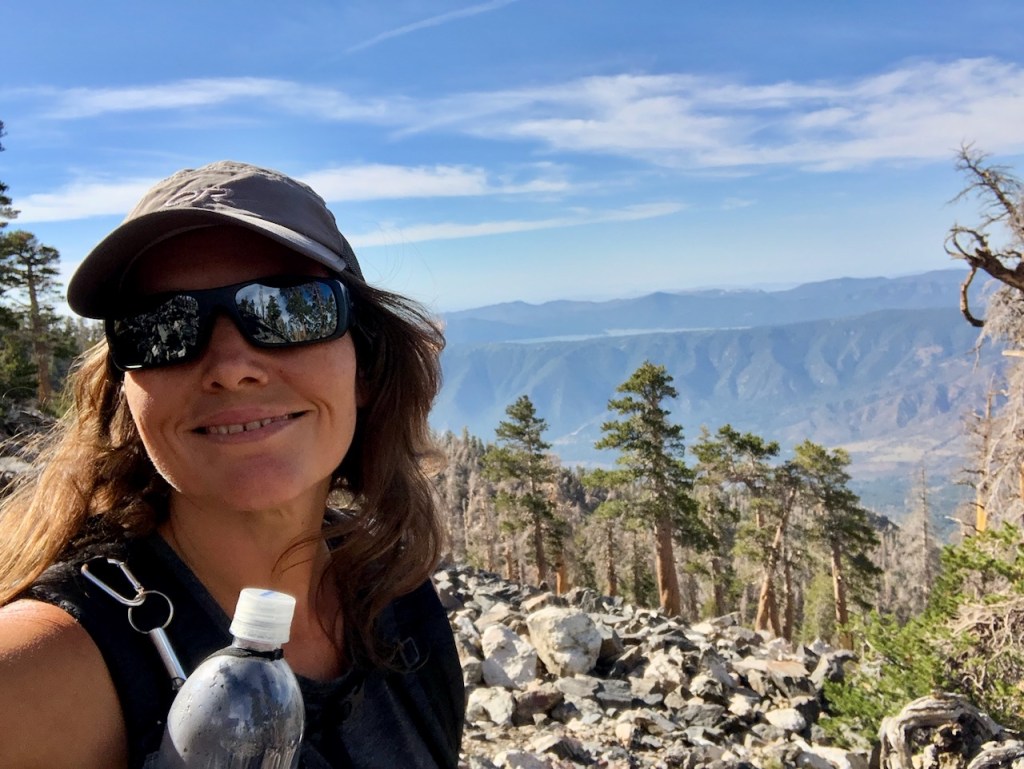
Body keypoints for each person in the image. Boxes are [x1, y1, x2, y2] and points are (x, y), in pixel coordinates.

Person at [0, 161, 465, 768]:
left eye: (288, 308)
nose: (229, 366)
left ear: (366, 367)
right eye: (162, 327)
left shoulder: (395, 600)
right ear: (126, 396)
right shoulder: (48, 668)